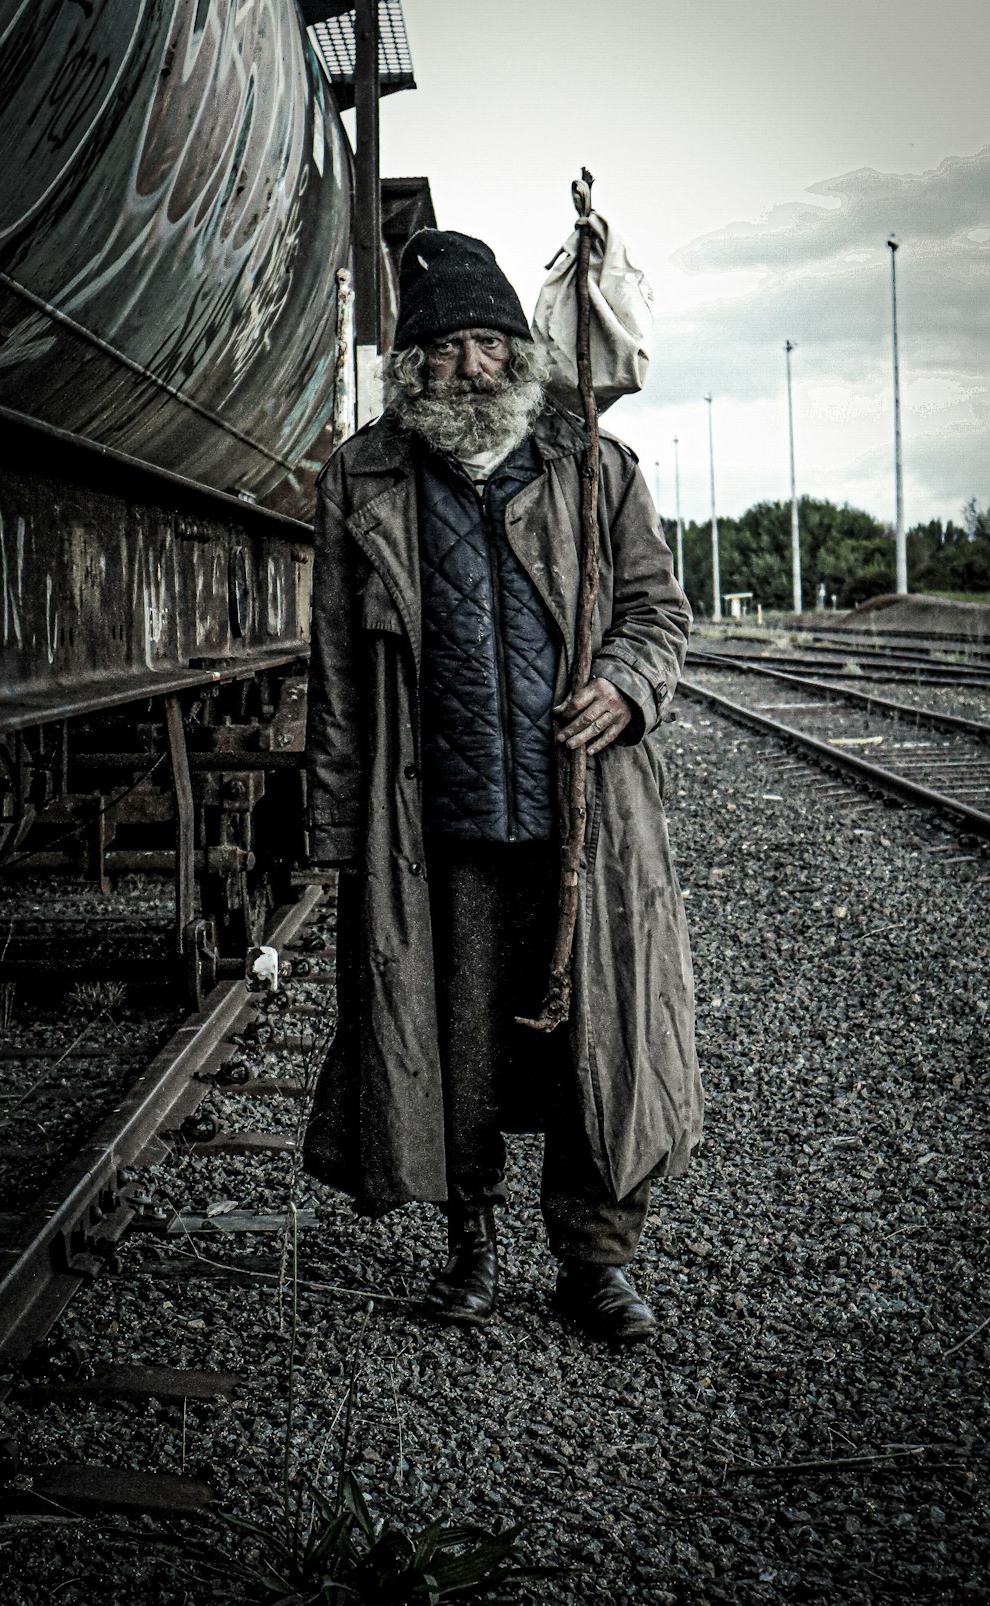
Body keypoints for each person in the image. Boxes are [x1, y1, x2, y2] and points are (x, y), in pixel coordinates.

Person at [302, 230, 701, 1344]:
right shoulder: (361, 480)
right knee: (451, 1048)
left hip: (585, 823)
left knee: (601, 1047)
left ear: (521, 351)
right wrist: (338, 832)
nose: (472, 367)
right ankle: (468, 1243)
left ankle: (595, 1262)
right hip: (436, 825)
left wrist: (625, 686)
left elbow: (660, 615)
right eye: (446, 348)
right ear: (410, 366)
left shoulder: (592, 465)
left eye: (490, 342)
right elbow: (335, 667)